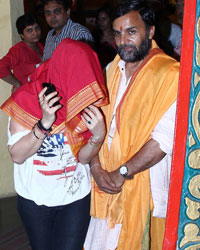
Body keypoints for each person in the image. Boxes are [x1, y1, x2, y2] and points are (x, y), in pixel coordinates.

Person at [84, 0, 180, 250]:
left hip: (142, 189)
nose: (123, 40)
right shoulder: (111, 69)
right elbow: (94, 125)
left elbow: (163, 141)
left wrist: (121, 174)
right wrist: (96, 167)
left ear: (150, 31)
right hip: (105, 188)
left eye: (131, 31)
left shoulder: (171, 75)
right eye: (117, 33)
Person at [1, 38, 108, 250]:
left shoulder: (84, 99)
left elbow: (83, 158)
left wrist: (98, 136)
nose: (81, 88)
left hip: (75, 198)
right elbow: (18, 156)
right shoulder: (27, 99)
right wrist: (44, 123)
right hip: (35, 201)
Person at [0, 13, 44, 92]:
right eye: (29, 30)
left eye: (37, 28)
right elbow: (1, 68)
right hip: (25, 97)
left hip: (40, 95)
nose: (35, 32)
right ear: (22, 35)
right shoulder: (18, 50)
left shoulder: (42, 47)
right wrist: (17, 84)